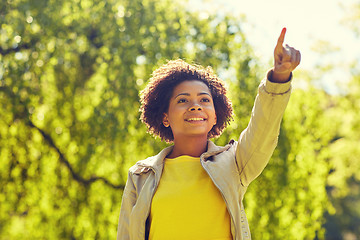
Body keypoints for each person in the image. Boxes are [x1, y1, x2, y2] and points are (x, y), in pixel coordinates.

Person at [117, 28, 301, 240]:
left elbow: (264, 127)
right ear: (165, 117)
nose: (195, 106)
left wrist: (279, 76)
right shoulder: (141, 175)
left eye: (204, 100)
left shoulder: (235, 164)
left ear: (214, 116)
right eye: (182, 100)